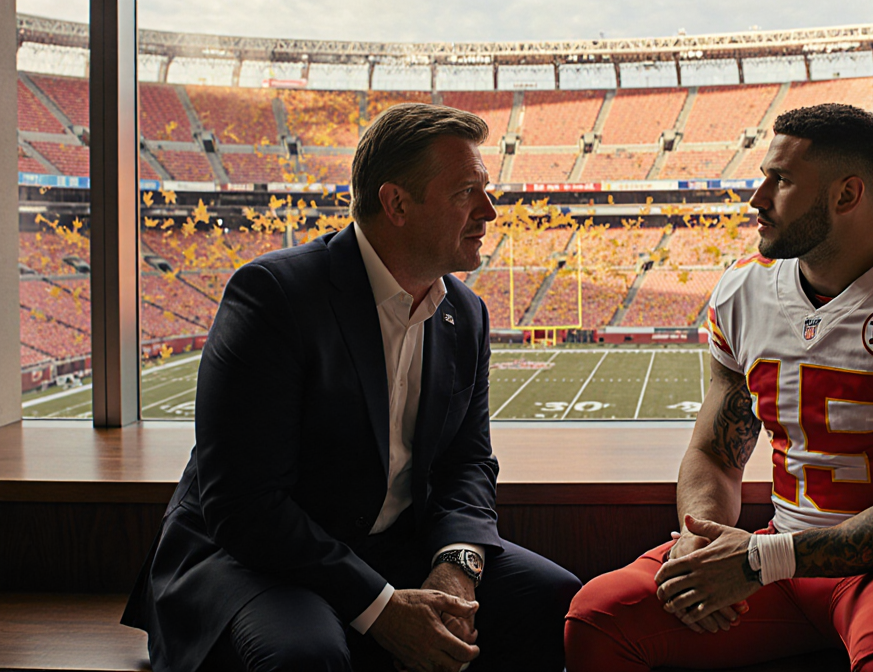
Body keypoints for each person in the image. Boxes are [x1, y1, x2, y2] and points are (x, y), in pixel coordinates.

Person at [565, 103, 873, 672]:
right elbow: (713, 451)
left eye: (780, 181)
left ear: (846, 195)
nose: (756, 198)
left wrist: (762, 560)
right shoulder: (743, 289)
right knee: (598, 618)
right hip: (778, 556)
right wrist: (699, 539)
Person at [123, 103, 581, 672]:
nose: (489, 211)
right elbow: (243, 505)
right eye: (467, 191)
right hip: (254, 559)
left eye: (486, 190)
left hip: (390, 545)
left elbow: (467, 463)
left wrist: (456, 567)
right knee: (305, 657)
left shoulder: (465, 312)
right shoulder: (275, 295)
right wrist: (381, 606)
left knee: (555, 600)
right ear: (396, 204)